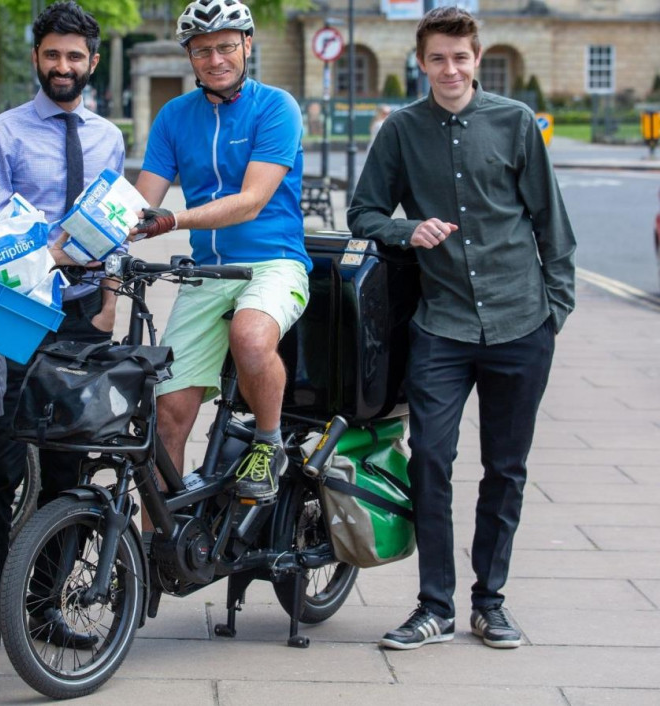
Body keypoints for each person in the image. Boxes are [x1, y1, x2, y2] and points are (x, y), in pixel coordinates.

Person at [347, 6, 576, 651]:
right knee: (431, 462)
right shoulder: (400, 132)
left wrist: (554, 312)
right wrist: (405, 230)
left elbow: (551, 227)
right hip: (441, 326)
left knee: (506, 468)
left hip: (520, 322)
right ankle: (434, 606)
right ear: (421, 64)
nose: (450, 69)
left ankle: (490, 601)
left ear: (476, 60)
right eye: (438, 58)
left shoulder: (515, 123)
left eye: (461, 57)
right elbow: (364, 211)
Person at [0, 0, 125, 656]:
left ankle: (45, 606)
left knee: (69, 468)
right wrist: (51, 249)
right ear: (37, 59)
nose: (63, 67)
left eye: (74, 57)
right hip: (17, 314)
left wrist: (107, 297)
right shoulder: (3, 132)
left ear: (92, 63)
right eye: (52, 55)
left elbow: (113, 225)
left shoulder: (108, 136)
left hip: (81, 315)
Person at [132, 0, 310, 507]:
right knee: (166, 413)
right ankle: (153, 554)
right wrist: (90, 238)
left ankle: (268, 443)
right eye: (202, 49)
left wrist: (173, 219)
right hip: (207, 273)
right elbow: (142, 202)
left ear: (246, 46)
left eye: (226, 46)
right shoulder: (174, 117)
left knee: (250, 338)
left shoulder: (276, 107)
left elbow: (252, 201)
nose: (215, 59)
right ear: (189, 55)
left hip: (274, 262)